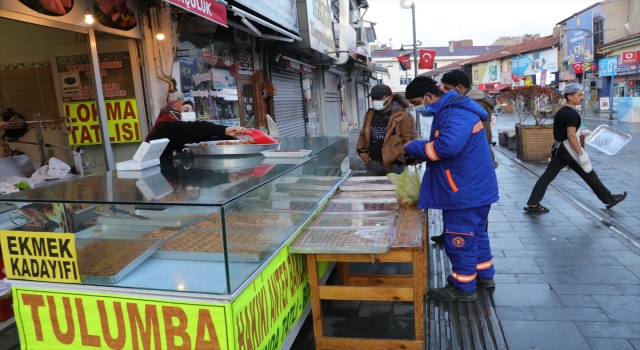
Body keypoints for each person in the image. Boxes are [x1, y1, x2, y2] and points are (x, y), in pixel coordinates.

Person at [404, 77, 499, 302]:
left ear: (428, 96)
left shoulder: (454, 112)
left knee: (460, 239)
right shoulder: (454, 109)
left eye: (417, 101)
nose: (418, 107)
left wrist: (413, 146)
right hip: (474, 187)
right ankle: (485, 275)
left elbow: (446, 147)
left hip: (463, 190)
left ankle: (462, 287)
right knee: (477, 233)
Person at [524, 83, 627, 212]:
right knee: (589, 173)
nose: (582, 97)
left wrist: (583, 132)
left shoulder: (562, 111)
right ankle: (608, 199)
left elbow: (566, 131)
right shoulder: (572, 114)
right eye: (579, 95)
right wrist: (581, 155)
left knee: (547, 176)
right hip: (568, 150)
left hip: (559, 148)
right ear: (570, 97)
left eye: (582, 94)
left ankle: (533, 203)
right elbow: (571, 136)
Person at [429, 70, 499, 245]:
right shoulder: (464, 102)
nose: (444, 92)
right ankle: (450, 233)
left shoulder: (473, 105)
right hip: (467, 160)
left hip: (474, 161)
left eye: (447, 88)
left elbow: (482, 135)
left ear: (459, 88)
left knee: (475, 205)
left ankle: (477, 239)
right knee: (456, 199)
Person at [146, 100, 246, 159]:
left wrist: (229, 137)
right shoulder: (165, 128)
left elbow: (205, 140)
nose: (190, 112)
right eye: (185, 110)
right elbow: (195, 129)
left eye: (192, 110)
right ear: (172, 113)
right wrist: (225, 129)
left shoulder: (186, 132)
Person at [356, 84, 416, 176]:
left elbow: (410, 141)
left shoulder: (404, 116)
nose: (375, 101)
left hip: (395, 166)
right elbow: (363, 134)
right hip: (372, 163)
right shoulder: (370, 114)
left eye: (379, 98)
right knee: (372, 190)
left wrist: (399, 162)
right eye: (373, 98)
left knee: (394, 190)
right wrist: (361, 151)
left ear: (390, 98)